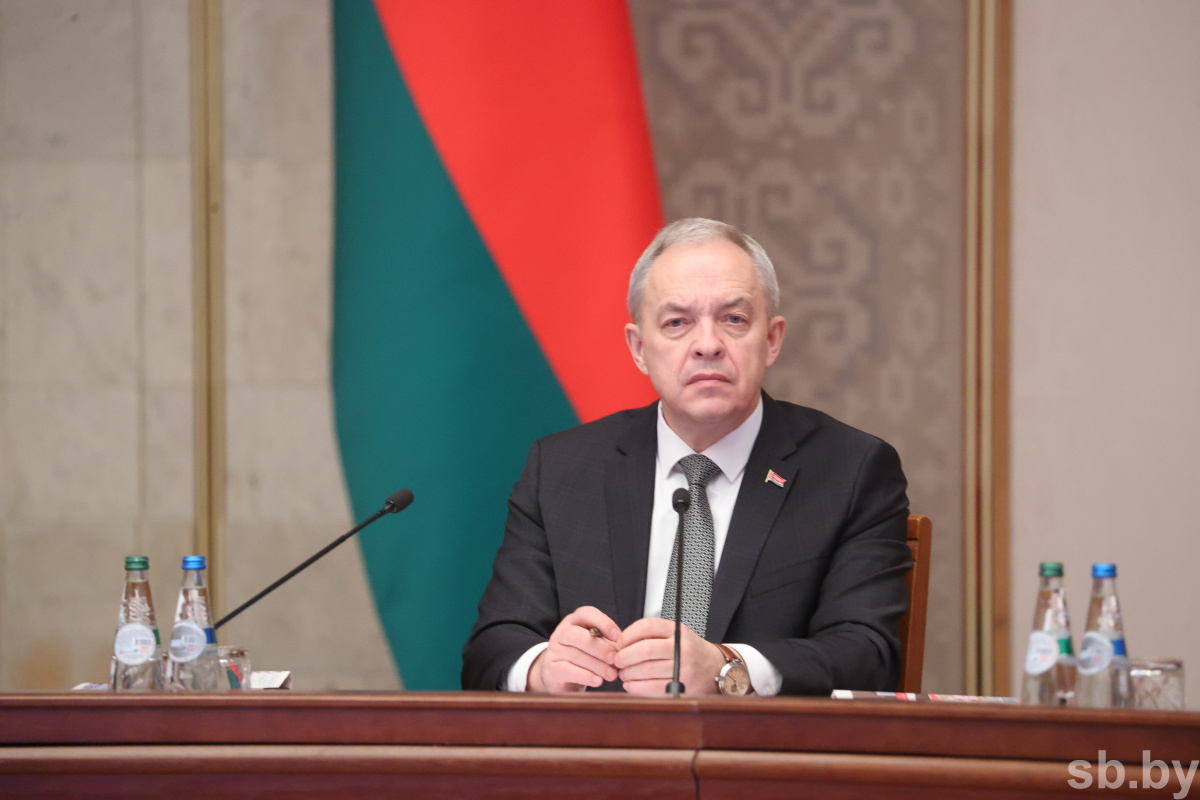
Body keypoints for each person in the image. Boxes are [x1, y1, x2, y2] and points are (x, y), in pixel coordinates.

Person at [462, 218, 911, 696]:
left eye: (733, 319)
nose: (708, 345)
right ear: (639, 348)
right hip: (600, 742)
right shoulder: (561, 469)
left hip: (760, 744)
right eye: (677, 323)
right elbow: (491, 651)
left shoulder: (850, 471)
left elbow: (869, 656)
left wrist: (727, 668)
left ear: (772, 340)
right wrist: (542, 668)